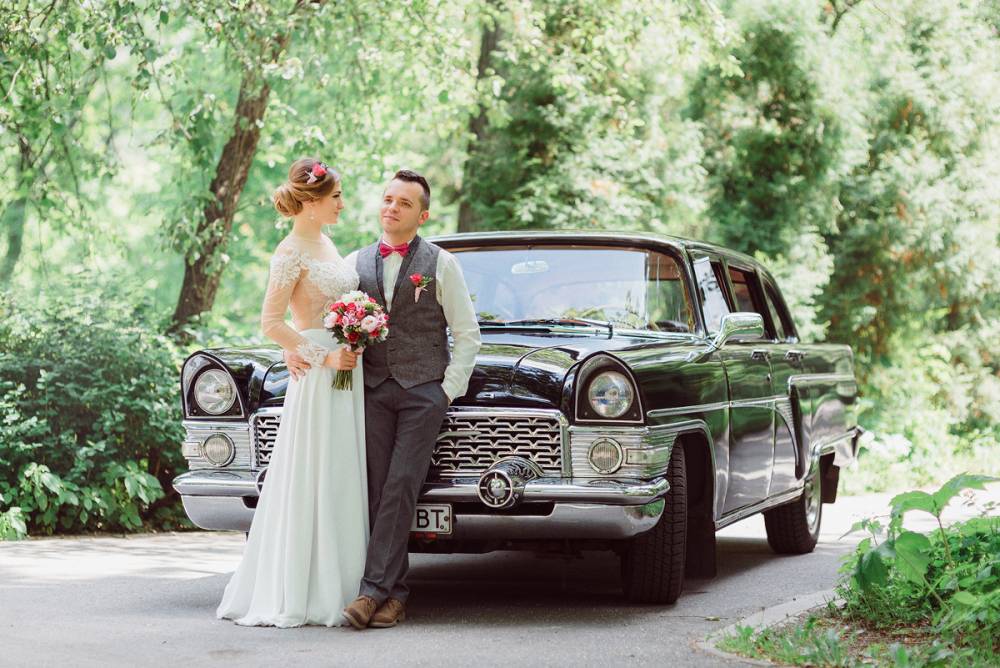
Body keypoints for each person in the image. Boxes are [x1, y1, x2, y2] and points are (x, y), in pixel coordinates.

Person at [284, 169, 481, 629]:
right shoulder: (355, 263)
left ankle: (371, 593)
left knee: (401, 484)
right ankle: (394, 596)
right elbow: (315, 311)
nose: (392, 207)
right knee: (373, 489)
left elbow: (467, 334)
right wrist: (293, 348)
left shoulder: (442, 264)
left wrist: (445, 391)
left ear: (422, 215)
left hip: (423, 392)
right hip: (369, 390)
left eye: (404, 203)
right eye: (388, 199)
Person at [216, 158, 368, 627]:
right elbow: (271, 322)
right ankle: (306, 590)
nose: (342, 204)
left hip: (347, 369)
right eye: (336, 197)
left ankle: (345, 583)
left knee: (341, 471)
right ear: (312, 202)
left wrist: (355, 336)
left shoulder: (327, 242)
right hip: (320, 374)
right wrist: (321, 356)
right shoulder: (289, 251)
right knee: (316, 470)